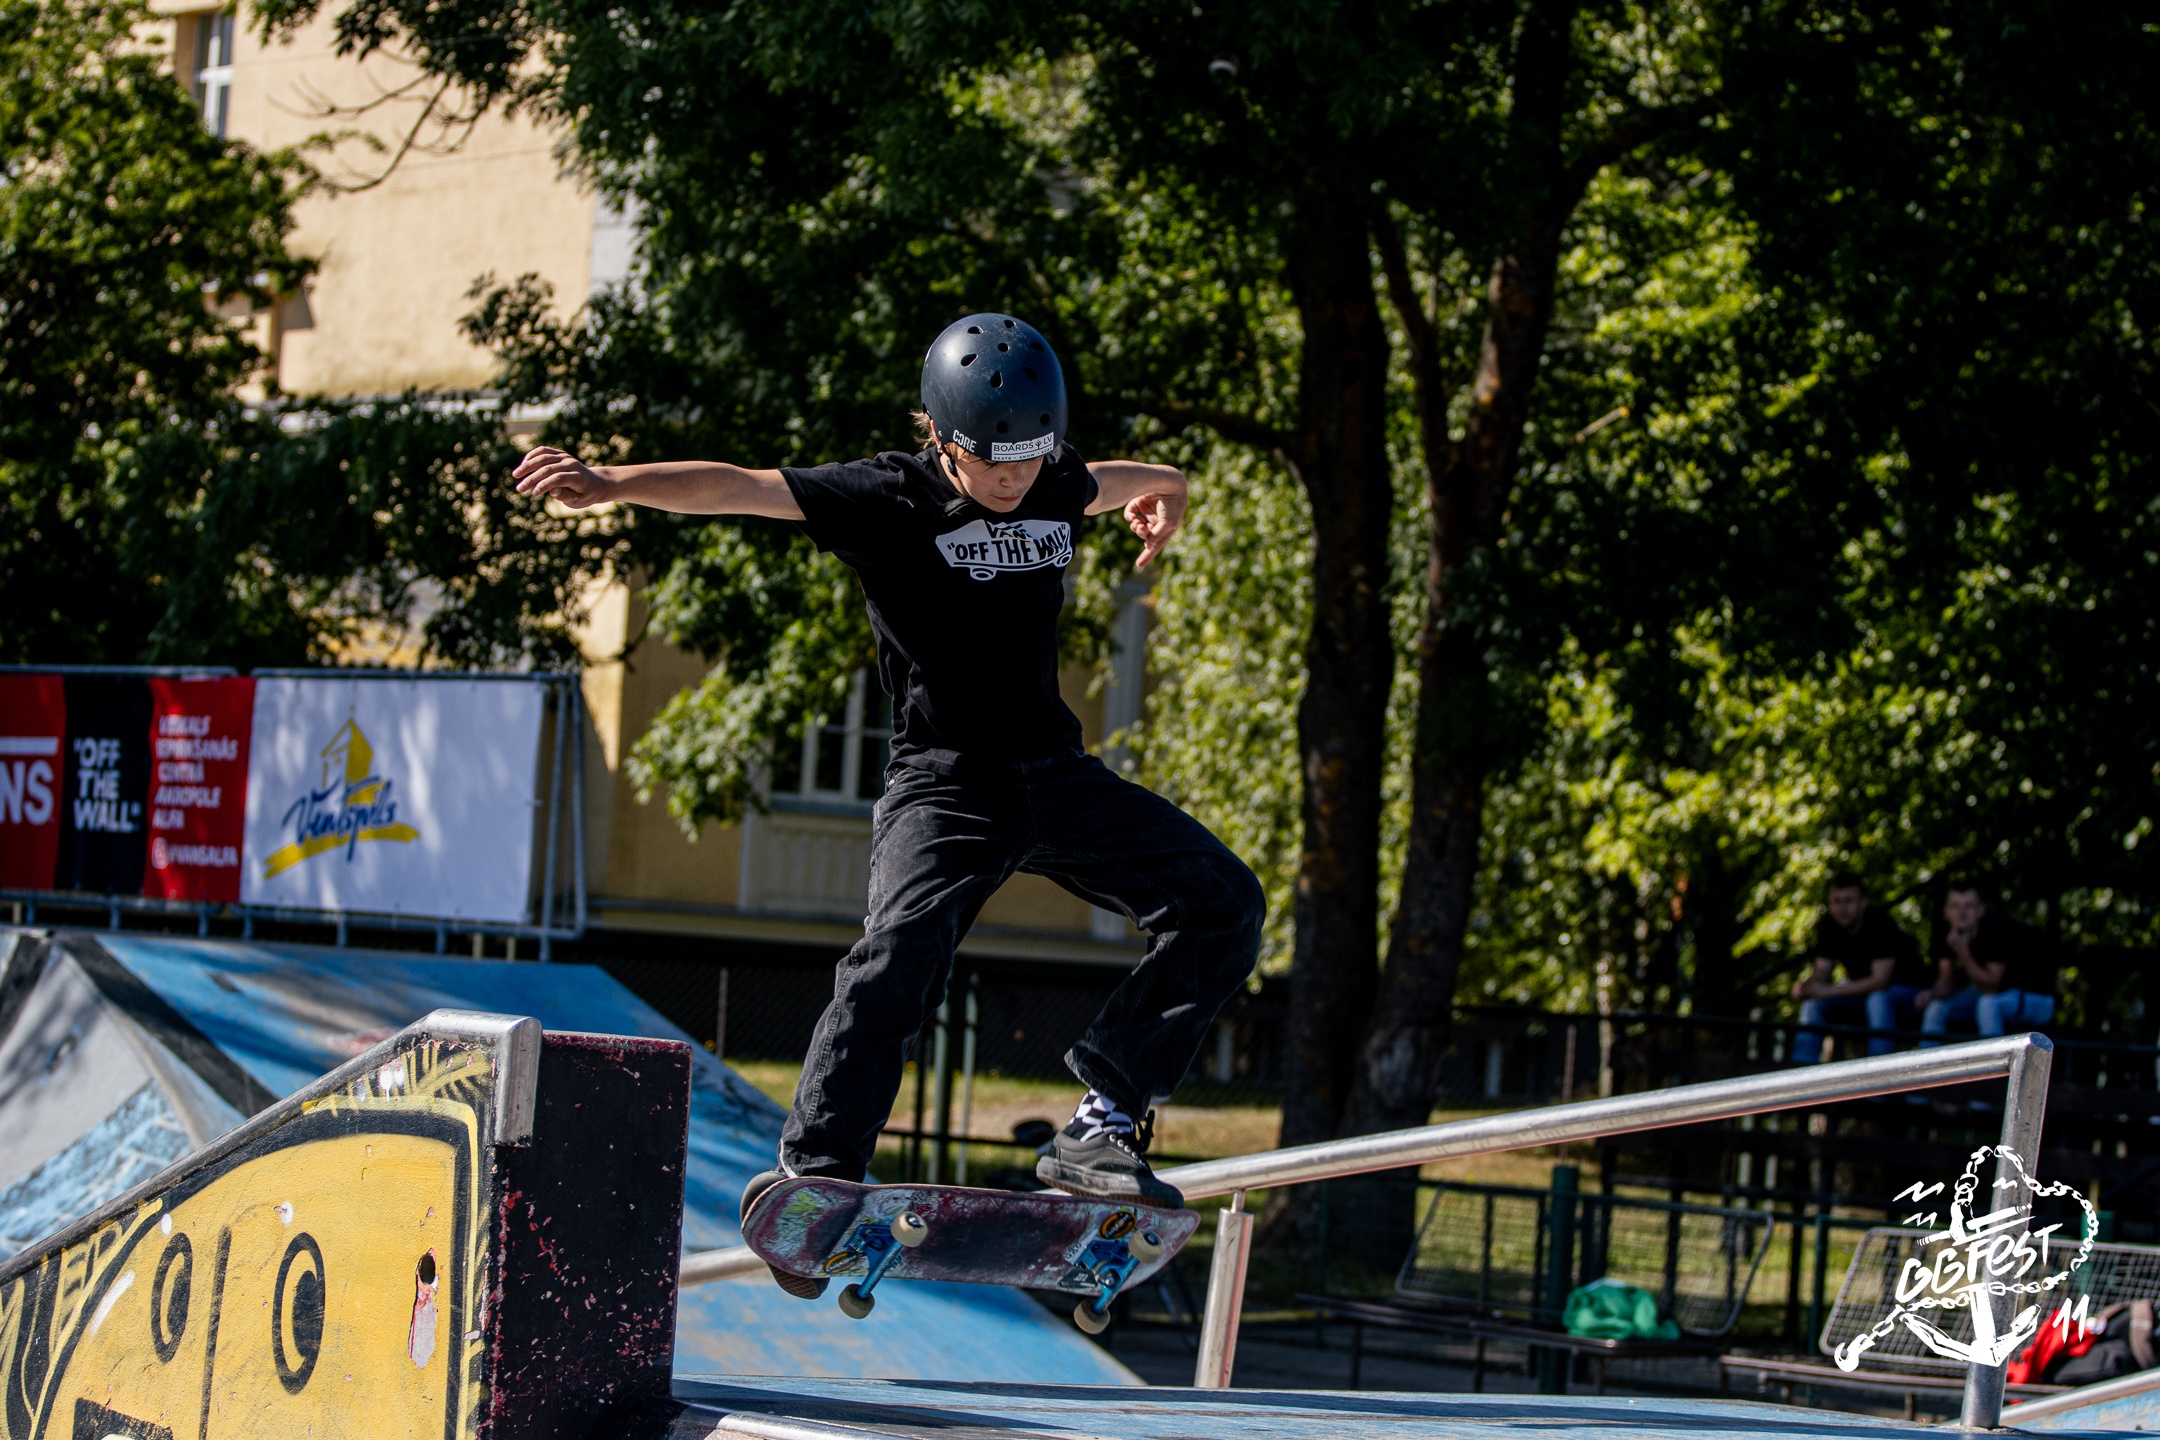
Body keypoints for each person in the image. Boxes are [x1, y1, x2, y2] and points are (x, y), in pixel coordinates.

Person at [511, 313, 1265, 1297]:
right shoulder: (886, 495)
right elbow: (742, 486)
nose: (1014, 480)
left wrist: (1170, 491)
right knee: (900, 949)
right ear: (943, 436)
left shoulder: (1053, 476)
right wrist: (612, 482)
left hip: (1055, 774)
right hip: (945, 784)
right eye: (991, 461)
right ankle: (822, 1167)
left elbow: (1123, 478)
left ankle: (1103, 1121)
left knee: (1223, 902)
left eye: (1030, 460)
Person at [1789, 873, 1938, 1062]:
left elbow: (1880, 981)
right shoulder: (1829, 926)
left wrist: (1828, 990)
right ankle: (1801, 1070)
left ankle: (1878, 1073)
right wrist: (1808, 987)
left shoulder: (1880, 924)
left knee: (1877, 1000)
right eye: (1837, 901)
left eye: (1848, 901)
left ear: (1863, 902)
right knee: (1812, 1004)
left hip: (1908, 993)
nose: (1842, 908)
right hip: (1862, 995)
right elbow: (1822, 973)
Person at [1919, 881, 2059, 1043]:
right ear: (1947, 911)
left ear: (1980, 910)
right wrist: (1930, 995)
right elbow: (1946, 984)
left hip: (2037, 1000)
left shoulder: (1995, 929)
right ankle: (1926, 1058)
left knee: (1987, 1004)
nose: (1961, 913)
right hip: (1993, 995)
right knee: (1936, 1007)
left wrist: (1963, 952)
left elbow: (1991, 986)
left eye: (1968, 906)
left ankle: (1992, 1060)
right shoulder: (1949, 932)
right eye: (1956, 906)